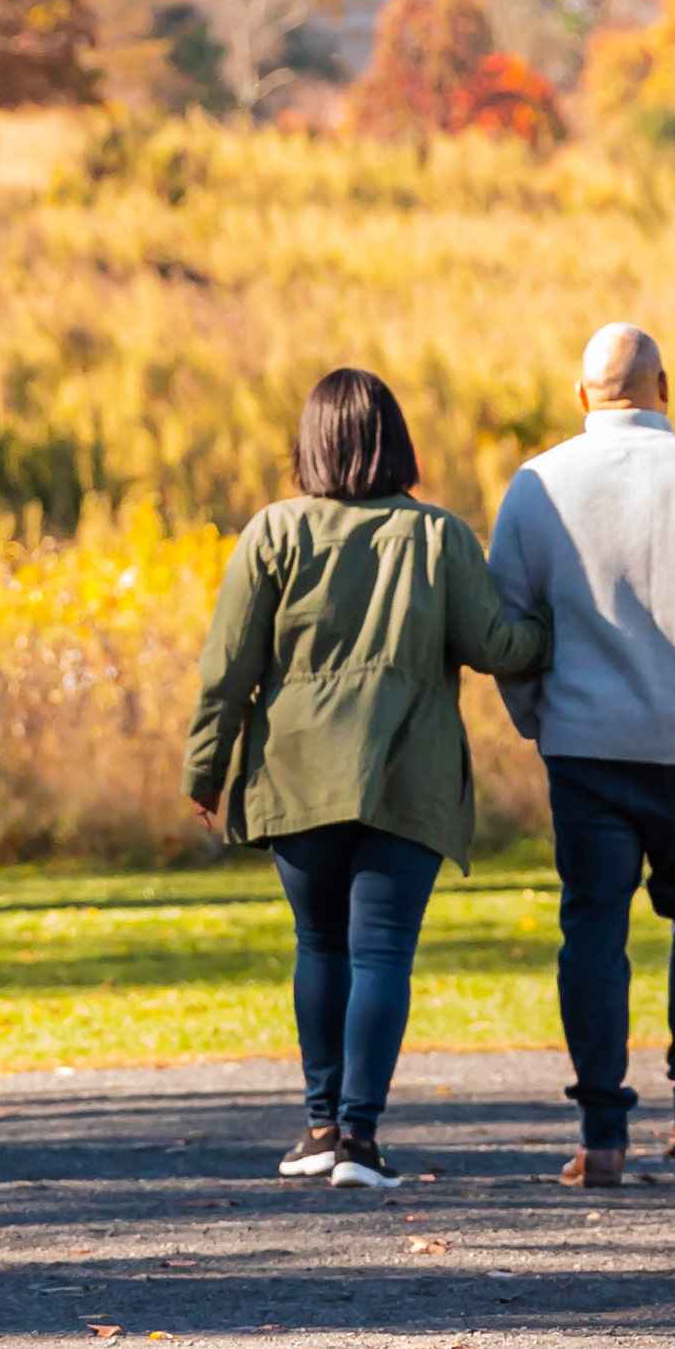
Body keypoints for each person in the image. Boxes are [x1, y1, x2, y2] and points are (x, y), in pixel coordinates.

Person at [181, 365, 549, 1188]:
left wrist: (206, 771)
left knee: (319, 945)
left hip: (295, 775)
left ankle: (318, 1128)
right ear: (397, 442)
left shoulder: (271, 534)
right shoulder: (438, 537)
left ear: (310, 444)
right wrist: (556, 625)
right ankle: (361, 1139)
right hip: (405, 777)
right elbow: (499, 648)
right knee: (382, 954)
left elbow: (226, 668)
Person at [486, 321, 675, 1187]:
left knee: (592, 928)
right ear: (666, 386)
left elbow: (509, 627)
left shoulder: (536, 484)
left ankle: (603, 1135)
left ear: (582, 397)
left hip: (584, 745)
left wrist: (534, 715)